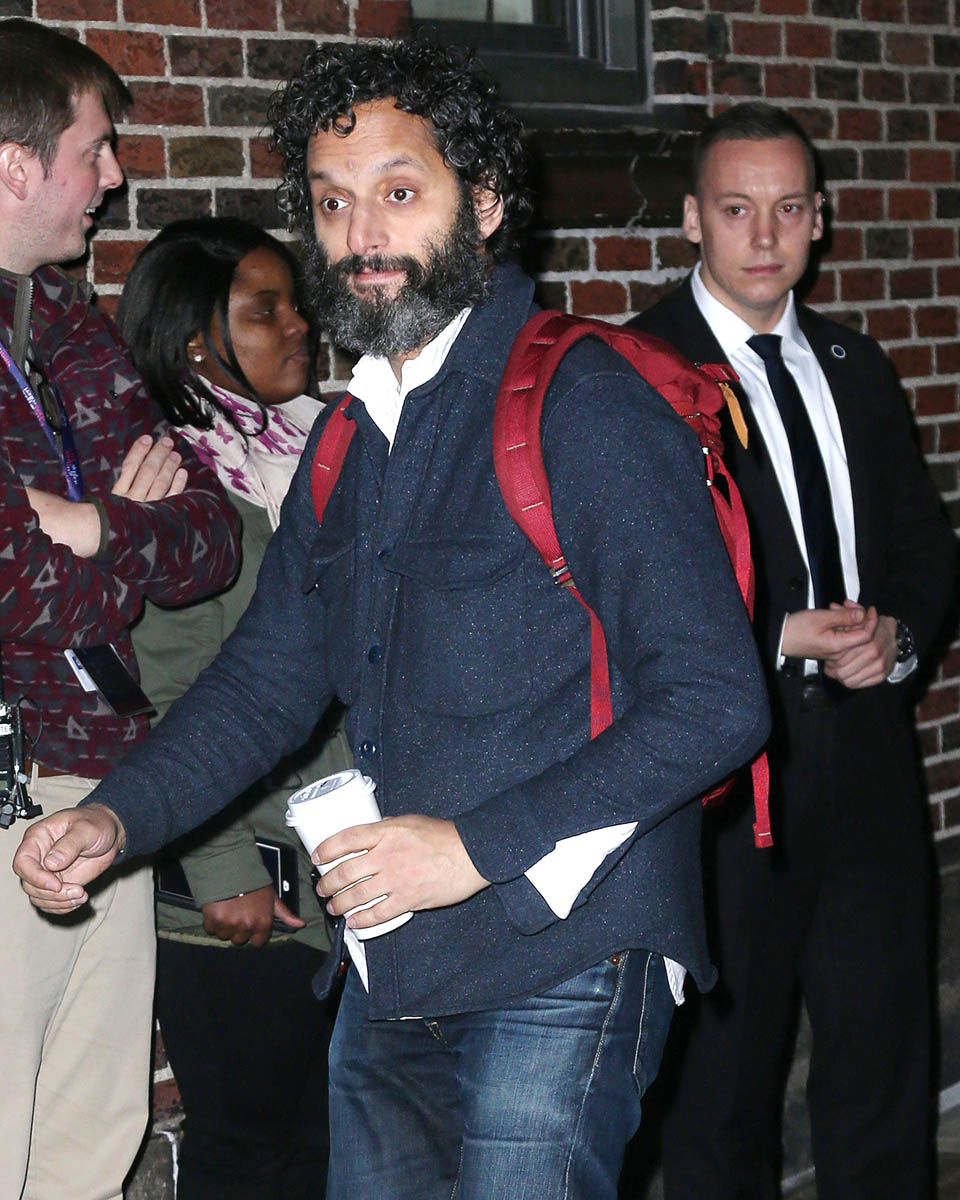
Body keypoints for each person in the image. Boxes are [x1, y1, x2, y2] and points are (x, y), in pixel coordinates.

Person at [14, 40, 770, 1200]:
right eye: (332, 202)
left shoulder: (584, 401)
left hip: (568, 953)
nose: (362, 233)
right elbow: (264, 682)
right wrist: (121, 818)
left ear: (488, 203)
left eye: (400, 192)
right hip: (393, 964)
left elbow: (716, 701)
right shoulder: (347, 438)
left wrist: (469, 849)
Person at [629, 101, 956, 1199]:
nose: (764, 237)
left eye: (787, 210)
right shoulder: (634, 371)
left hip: (869, 762)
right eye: (736, 210)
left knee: (884, 1064)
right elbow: (609, 584)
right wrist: (771, 634)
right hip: (728, 781)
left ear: (819, 219)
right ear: (692, 219)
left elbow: (923, 540)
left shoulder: (856, 364)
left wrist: (899, 635)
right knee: (720, 1093)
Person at [0, 19, 241, 1200]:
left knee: (94, 1142)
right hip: (9, 788)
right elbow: (12, 589)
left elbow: (210, 537)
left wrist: (89, 522)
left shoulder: (62, 318)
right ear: (14, 165)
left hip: (106, 780)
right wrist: (113, 533)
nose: (114, 176)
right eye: (94, 149)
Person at [117, 217, 352, 1199]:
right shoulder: (174, 479)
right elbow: (164, 688)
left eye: (294, 303)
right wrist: (219, 870)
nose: (299, 325)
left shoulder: (326, 444)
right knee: (251, 1151)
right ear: (194, 341)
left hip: (340, 858)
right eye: (265, 311)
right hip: (243, 877)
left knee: (331, 1143)